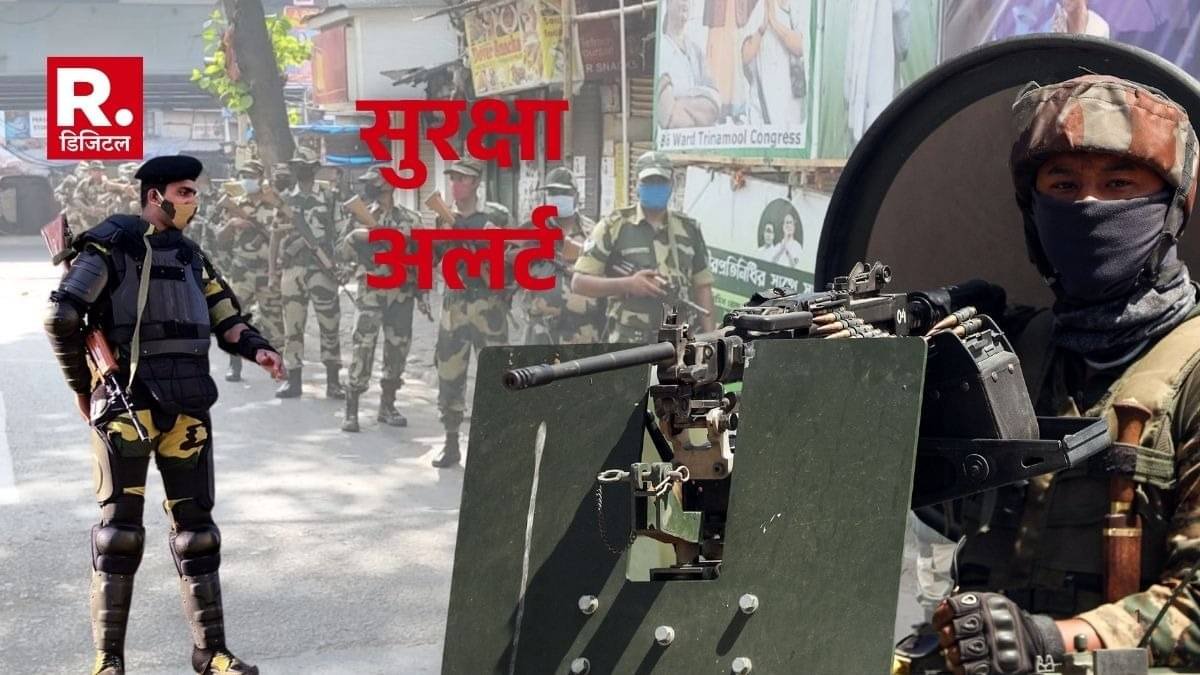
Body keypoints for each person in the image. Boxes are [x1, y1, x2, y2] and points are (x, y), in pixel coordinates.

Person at [914, 76, 1200, 673]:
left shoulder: (1190, 372)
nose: (1089, 206)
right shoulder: (1007, 352)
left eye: (1119, 185)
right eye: (1064, 185)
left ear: (1171, 207)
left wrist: (1049, 641)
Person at [43, 155, 284, 675]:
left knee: (198, 533)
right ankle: (108, 659)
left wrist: (259, 349)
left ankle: (210, 652)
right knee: (118, 535)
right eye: (184, 192)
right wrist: (83, 385)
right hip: (126, 405)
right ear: (155, 197)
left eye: (194, 192)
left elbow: (227, 316)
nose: (194, 201)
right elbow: (61, 315)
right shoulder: (111, 243)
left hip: (188, 406)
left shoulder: (192, 255)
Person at [572, 151, 716, 343]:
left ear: (672, 184)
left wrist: (711, 339)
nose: (655, 186)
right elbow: (579, 283)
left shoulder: (689, 229)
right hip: (629, 342)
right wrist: (628, 284)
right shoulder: (613, 226)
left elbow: (702, 287)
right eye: (649, 181)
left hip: (677, 341)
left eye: (661, 181)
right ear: (636, 184)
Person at [431, 158, 512, 468]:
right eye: (453, 179)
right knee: (449, 374)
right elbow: (433, 257)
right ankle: (451, 442)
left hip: (489, 306)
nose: (455, 184)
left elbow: (515, 259)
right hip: (454, 306)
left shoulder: (496, 216)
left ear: (476, 182)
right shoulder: (443, 217)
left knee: (496, 375)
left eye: (462, 179)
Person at [336, 168, 424, 432]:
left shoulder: (411, 219)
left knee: (398, 349)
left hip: (402, 293)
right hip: (371, 292)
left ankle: (388, 406)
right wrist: (355, 237)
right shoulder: (359, 216)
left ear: (390, 186)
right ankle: (351, 410)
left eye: (374, 183)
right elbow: (341, 252)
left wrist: (422, 292)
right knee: (363, 348)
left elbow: (423, 256)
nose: (368, 187)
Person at [273, 147, 346, 400]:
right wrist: (274, 269)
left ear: (315, 168)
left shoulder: (330, 196)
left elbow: (341, 233)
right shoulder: (284, 198)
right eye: (297, 165)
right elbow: (276, 233)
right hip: (293, 269)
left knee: (330, 324)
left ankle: (333, 381)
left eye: (305, 165)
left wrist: (340, 265)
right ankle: (293, 381)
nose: (300, 169)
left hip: (322, 269)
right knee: (292, 327)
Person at [518, 167, 606, 345]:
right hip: (540, 332)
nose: (557, 198)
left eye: (563, 193)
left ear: (576, 196)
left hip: (583, 332)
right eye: (552, 193)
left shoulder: (594, 231)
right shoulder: (530, 231)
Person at [216, 159, 285, 383]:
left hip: (266, 271)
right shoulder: (235, 205)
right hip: (241, 271)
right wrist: (231, 224)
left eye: (251, 176)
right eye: (244, 176)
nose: (247, 180)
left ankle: (277, 365)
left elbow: (280, 235)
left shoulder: (274, 205)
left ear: (261, 178)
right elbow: (219, 239)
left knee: (274, 320)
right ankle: (234, 365)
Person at [740, 0, 807, 127]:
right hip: (761, 103)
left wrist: (774, 23)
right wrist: (761, 29)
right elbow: (745, 56)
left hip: (790, 103)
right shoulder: (761, 6)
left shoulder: (798, 6)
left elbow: (800, 47)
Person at [657, 0, 722, 129]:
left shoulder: (696, 52)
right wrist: (697, 102)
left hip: (696, 137)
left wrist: (678, 101)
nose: (684, 3)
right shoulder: (659, 48)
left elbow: (714, 102)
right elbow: (667, 115)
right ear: (667, 4)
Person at [73, 160, 112, 234]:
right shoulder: (84, 183)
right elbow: (76, 199)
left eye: (99, 170)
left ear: (103, 171)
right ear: (90, 172)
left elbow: (115, 200)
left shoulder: (108, 184)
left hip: (104, 216)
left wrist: (105, 210)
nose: (97, 172)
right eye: (95, 170)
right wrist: (89, 210)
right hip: (87, 217)